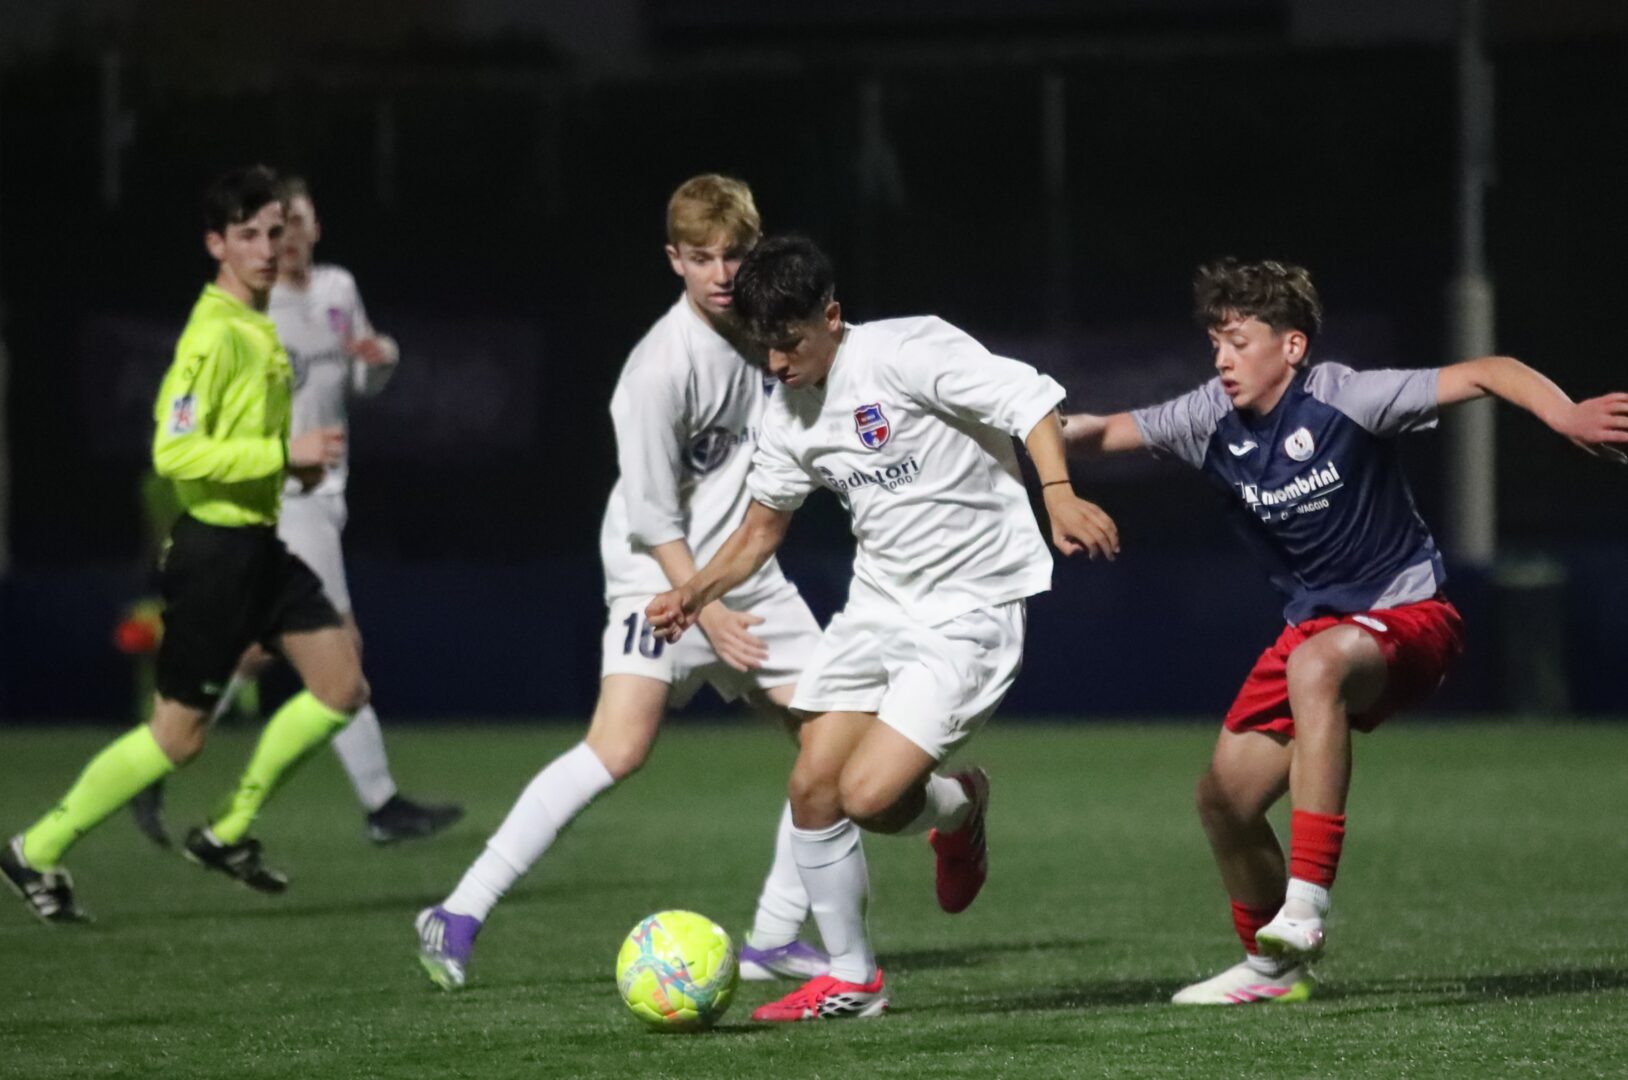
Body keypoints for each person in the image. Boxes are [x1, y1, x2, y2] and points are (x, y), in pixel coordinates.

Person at [1061, 258, 1628, 1005]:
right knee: (1224, 800)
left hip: (1411, 617)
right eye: (1216, 343)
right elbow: (1103, 431)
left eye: (1239, 342)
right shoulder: (1208, 417)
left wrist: (1564, 414)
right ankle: (1272, 972)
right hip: (1317, 631)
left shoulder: (1346, 397)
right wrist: (1029, 430)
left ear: (1291, 347)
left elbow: (1488, 371)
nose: (1223, 359)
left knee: (1318, 665)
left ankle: (1306, 907)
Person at [645, 234, 1120, 1021]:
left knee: (867, 796)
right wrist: (693, 592)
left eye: (790, 343)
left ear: (831, 317)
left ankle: (959, 809)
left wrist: (1058, 494)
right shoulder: (787, 412)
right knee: (812, 786)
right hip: (877, 608)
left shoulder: (907, 352)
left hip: (970, 607)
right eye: (765, 348)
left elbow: (1031, 400)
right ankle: (853, 980)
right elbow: (761, 530)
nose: (777, 363)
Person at [415, 176, 836, 990]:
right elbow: (651, 517)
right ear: (673, 260)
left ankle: (775, 937)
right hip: (663, 581)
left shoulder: (772, 334)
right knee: (617, 748)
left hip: (747, 574)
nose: (721, 274)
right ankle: (458, 911)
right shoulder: (658, 369)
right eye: (701, 258)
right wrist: (704, 610)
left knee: (835, 742)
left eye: (734, 255)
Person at [2, 165, 372, 923]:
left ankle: (227, 832)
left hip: (260, 547)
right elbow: (173, 452)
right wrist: (284, 455)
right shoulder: (215, 336)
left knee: (342, 686)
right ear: (216, 245)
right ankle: (34, 848)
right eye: (247, 235)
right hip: (214, 558)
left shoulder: (255, 325)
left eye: (275, 232)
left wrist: (288, 474)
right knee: (177, 739)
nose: (267, 248)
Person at [127, 175, 462, 848]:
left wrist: (381, 359)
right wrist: (279, 455)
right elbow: (194, 428)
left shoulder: (337, 289)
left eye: (297, 224)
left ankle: (150, 763)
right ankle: (378, 803)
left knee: (249, 652)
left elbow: (357, 374)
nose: (289, 239)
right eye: (275, 228)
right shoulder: (252, 309)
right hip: (285, 494)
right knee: (339, 652)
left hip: (324, 490)